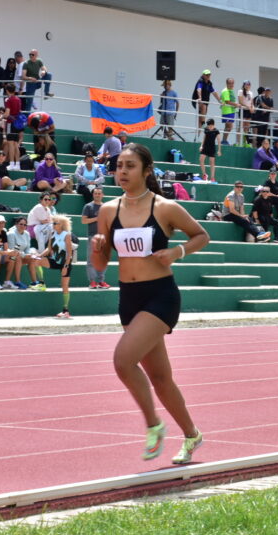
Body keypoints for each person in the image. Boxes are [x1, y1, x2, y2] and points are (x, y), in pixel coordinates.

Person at [89, 142, 209, 463]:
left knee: (123, 361)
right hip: (129, 297)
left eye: (130, 166)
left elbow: (201, 235)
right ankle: (192, 435)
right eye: (119, 166)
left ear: (146, 171)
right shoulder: (107, 210)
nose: (123, 171)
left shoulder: (165, 207)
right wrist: (97, 247)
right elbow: (101, 265)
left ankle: (154, 424)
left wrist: (176, 252)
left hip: (160, 295)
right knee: (160, 378)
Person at [30, 215, 75, 318]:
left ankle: (65, 311)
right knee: (37, 261)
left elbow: (69, 253)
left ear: (61, 225)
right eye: (52, 223)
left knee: (64, 286)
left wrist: (66, 266)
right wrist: (39, 255)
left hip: (65, 263)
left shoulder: (66, 235)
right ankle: (41, 283)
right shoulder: (52, 234)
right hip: (55, 261)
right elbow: (48, 249)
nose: (53, 225)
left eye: (55, 223)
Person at [82, 186, 109, 289]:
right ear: (93, 195)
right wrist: (97, 218)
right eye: (95, 193)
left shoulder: (106, 207)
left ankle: (101, 282)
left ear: (102, 195)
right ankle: (93, 282)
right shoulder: (88, 206)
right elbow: (84, 221)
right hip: (92, 236)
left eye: (99, 193)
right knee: (91, 260)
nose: (97, 195)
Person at [2, 82, 24, 170]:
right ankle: (17, 164)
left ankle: (11, 164)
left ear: (7, 91)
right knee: (15, 144)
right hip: (17, 123)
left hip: (10, 123)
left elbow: (7, 114)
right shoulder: (18, 99)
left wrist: (1, 117)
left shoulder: (8, 100)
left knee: (11, 144)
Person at [5, 217, 32, 290]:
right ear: (16, 224)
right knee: (16, 257)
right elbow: (12, 249)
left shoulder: (27, 234)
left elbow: (28, 247)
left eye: (25, 225)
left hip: (20, 255)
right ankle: (16, 281)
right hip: (9, 255)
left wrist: (28, 254)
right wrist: (23, 254)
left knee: (33, 259)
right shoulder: (11, 234)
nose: (23, 226)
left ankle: (35, 282)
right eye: (21, 224)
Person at [27, 192, 55, 257]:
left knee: (52, 227)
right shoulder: (39, 207)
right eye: (45, 199)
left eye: (49, 199)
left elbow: (50, 219)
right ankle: (43, 252)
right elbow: (44, 221)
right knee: (51, 226)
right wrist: (50, 220)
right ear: (41, 200)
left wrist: (50, 220)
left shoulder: (47, 209)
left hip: (41, 228)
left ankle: (47, 250)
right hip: (32, 229)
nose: (47, 201)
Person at [218, 77, 238, 145]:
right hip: (227, 111)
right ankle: (224, 141)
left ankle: (224, 140)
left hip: (231, 110)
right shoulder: (225, 91)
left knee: (229, 127)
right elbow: (227, 101)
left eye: (232, 83)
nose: (231, 85)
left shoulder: (230, 90)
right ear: (227, 83)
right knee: (229, 126)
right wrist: (236, 104)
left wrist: (235, 105)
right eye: (230, 83)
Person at [237, 80, 254, 146]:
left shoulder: (251, 93)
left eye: (249, 84)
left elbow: (252, 102)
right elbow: (240, 102)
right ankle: (238, 142)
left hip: (248, 111)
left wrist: (252, 107)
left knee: (247, 127)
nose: (247, 86)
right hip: (243, 110)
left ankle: (245, 141)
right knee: (241, 126)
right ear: (244, 85)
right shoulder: (240, 91)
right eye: (246, 84)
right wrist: (248, 107)